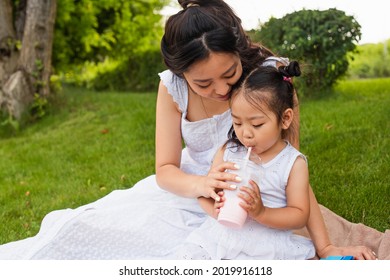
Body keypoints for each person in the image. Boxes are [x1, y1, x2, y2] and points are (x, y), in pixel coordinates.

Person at [0, 0, 381, 260]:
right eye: (203, 83)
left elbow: (291, 167)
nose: (220, 90)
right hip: (187, 192)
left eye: (230, 75)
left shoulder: (268, 79)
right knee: (91, 233)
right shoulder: (172, 87)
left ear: (240, 52)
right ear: (182, 75)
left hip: (253, 200)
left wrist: (326, 245)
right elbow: (165, 170)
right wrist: (203, 185)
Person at [177, 62, 317, 259]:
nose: (245, 133)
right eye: (237, 123)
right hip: (220, 237)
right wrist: (216, 208)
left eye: (257, 124)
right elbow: (205, 194)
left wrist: (262, 213)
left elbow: (299, 214)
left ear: (285, 119)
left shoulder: (292, 163)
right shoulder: (229, 151)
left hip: (266, 243)